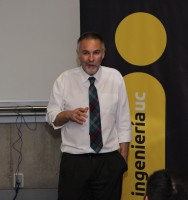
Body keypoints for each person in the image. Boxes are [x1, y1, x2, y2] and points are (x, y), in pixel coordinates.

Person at [46, 32, 132, 200]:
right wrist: (68, 115)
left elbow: (123, 121)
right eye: (86, 53)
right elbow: (51, 116)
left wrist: (122, 160)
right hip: (75, 162)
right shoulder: (64, 80)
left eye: (96, 52)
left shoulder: (115, 78)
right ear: (78, 55)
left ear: (103, 54)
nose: (91, 58)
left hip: (109, 161)